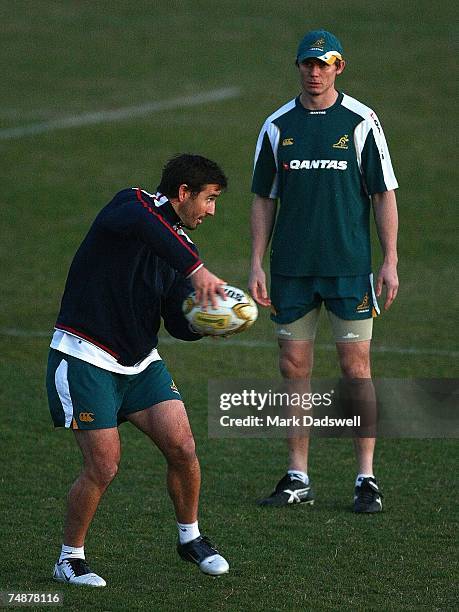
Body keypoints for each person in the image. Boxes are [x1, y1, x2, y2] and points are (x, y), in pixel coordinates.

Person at [47, 154, 230, 587]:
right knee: (104, 466)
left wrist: (205, 323)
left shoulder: (182, 250)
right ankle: (68, 559)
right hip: (85, 358)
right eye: (209, 199)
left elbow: (175, 322)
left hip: (140, 364)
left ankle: (191, 537)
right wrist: (197, 269)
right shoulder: (129, 206)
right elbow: (152, 229)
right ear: (183, 193)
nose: (212, 211)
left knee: (183, 447)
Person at [249, 30, 399, 512]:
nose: (314, 72)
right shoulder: (277, 126)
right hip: (292, 271)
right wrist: (256, 261)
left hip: (349, 269)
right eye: (307, 64)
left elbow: (383, 194)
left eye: (324, 64)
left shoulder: (360, 122)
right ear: (298, 67)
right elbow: (262, 198)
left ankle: (366, 478)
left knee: (356, 370)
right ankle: (298, 477)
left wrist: (390, 260)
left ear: (339, 67)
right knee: (294, 370)